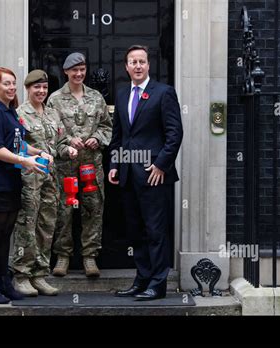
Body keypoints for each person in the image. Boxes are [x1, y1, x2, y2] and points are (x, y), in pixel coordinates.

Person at [109, 45, 183, 300]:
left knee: (155, 231)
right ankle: (142, 279)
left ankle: (158, 283)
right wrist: (115, 165)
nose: (138, 66)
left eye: (142, 61)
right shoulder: (121, 95)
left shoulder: (163, 93)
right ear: (126, 67)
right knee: (136, 232)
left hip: (154, 174)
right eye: (133, 62)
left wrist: (162, 164)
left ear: (148, 65)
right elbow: (118, 135)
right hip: (128, 174)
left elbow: (175, 134)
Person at [0, 67, 49, 304]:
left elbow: (17, 144)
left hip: (10, 181)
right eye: (5, 83)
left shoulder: (10, 113)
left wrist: (38, 152)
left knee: (6, 233)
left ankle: (3, 281)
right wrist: (23, 161)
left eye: (13, 83)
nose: (10, 87)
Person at [11, 70, 78, 296]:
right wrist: (34, 156)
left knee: (47, 226)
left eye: (44, 88)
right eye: (36, 87)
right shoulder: (20, 114)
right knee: (27, 226)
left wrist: (66, 149)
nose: (41, 91)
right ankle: (21, 275)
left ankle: (39, 275)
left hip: (50, 179)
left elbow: (58, 143)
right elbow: (15, 147)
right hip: (29, 180)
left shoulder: (52, 114)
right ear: (28, 89)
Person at [47, 53, 112, 277]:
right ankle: (62, 256)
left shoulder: (96, 98)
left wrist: (98, 138)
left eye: (82, 69)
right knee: (64, 209)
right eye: (74, 70)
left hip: (91, 165)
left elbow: (107, 126)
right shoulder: (54, 99)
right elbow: (50, 132)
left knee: (93, 208)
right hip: (66, 165)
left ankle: (90, 257)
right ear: (66, 71)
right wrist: (66, 141)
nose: (79, 74)